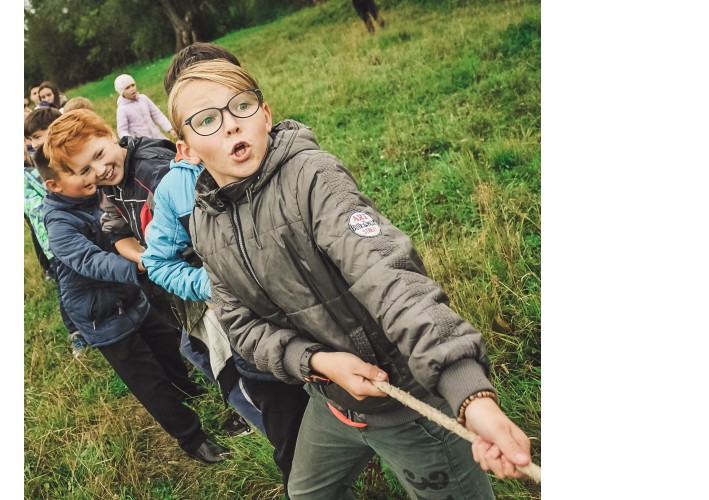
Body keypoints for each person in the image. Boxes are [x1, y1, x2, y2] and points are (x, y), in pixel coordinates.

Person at [168, 60, 533, 498]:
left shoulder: (313, 178)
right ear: (186, 150)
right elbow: (241, 327)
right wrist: (316, 362)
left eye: (241, 106)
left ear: (265, 114)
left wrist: (468, 393)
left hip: (405, 404)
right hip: (330, 400)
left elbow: (387, 276)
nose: (230, 126)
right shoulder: (205, 225)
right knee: (305, 493)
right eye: (206, 120)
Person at [142, 41, 309, 491]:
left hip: (322, 322)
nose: (226, 122)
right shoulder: (178, 189)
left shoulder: (294, 160)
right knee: (293, 446)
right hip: (257, 343)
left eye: (233, 99)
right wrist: (213, 284)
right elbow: (157, 261)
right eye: (204, 112)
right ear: (185, 127)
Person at [36, 124, 228, 465]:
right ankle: (192, 438)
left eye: (94, 163)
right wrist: (145, 265)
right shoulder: (58, 222)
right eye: (81, 173)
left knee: (169, 348)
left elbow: (122, 224)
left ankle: (189, 391)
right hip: (102, 316)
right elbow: (88, 260)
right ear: (56, 183)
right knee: (148, 381)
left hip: (133, 297)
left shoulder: (101, 189)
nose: (92, 176)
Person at [24, 107, 90, 356]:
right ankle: (75, 332)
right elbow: (34, 206)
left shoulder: (68, 157)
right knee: (68, 287)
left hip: (86, 228)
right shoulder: (28, 174)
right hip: (55, 242)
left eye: (40, 135)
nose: (36, 143)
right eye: (31, 139)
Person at [114, 74, 176, 141]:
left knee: (171, 149)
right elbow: (122, 130)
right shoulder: (122, 109)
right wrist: (132, 141)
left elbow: (157, 114)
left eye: (133, 85)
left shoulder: (143, 98)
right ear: (121, 92)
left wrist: (169, 128)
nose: (132, 89)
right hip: (143, 144)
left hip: (157, 136)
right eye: (127, 88)